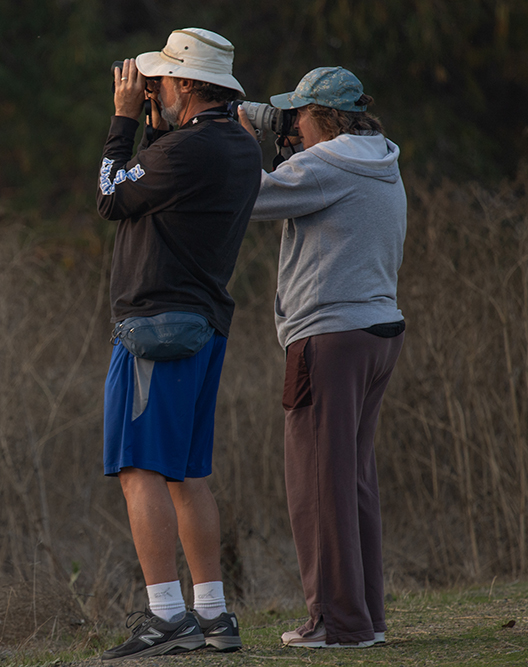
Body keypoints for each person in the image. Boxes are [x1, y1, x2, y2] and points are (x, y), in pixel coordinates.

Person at [96, 28, 261, 660]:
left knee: (140, 468)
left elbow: (112, 195)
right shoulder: (235, 146)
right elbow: (158, 177)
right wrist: (155, 123)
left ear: (187, 84)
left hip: (156, 326)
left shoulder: (186, 151)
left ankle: (166, 615)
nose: (149, 91)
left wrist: (121, 121)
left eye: (160, 81)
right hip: (203, 322)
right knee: (187, 474)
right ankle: (213, 614)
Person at [237, 66, 406, 648]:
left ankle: (337, 623)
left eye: (298, 116)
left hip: (329, 338)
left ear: (325, 117)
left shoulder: (325, 164)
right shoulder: (381, 156)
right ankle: (366, 616)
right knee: (352, 479)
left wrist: (237, 137)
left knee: (316, 481)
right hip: (379, 332)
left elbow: (244, 197)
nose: (292, 128)